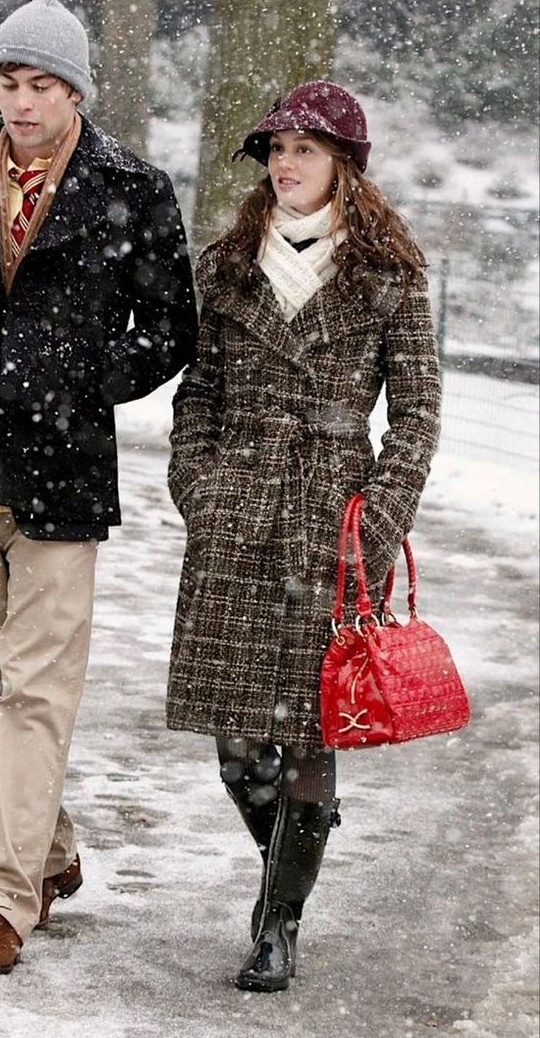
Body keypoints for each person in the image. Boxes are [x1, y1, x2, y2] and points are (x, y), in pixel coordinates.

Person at [0, 0, 197, 976]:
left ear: (76, 92)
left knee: (36, 693)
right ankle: (47, 849)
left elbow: (169, 327)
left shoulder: (131, 193)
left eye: (41, 85)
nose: (20, 102)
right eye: (9, 83)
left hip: (61, 480)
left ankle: (0, 900)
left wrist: (78, 382)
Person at [166, 80, 441, 993]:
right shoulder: (227, 265)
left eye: (305, 150)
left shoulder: (391, 274)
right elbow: (196, 400)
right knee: (237, 741)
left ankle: (279, 919)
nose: (285, 164)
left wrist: (379, 518)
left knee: (311, 733)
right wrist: (201, 490)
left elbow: (417, 417)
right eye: (275, 150)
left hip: (331, 517)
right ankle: (297, 843)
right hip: (237, 515)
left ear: (345, 169)